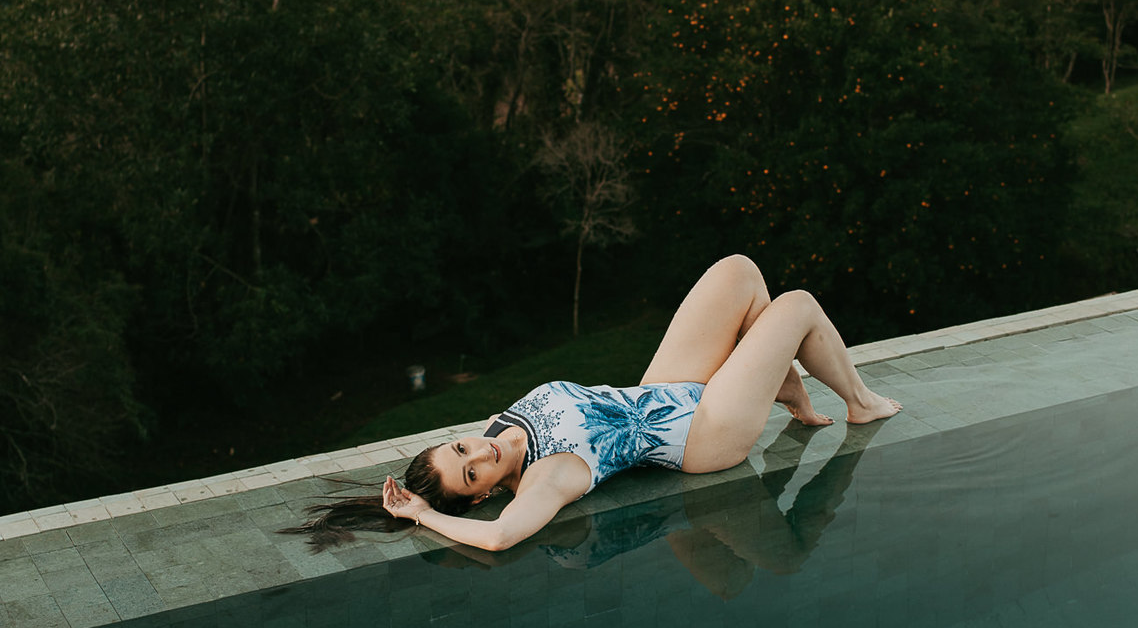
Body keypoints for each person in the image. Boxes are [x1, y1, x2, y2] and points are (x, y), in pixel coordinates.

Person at [291, 257, 900, 552]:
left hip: (659, 389)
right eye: (475, 471)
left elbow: (474, 451)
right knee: (794, 305)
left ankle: (780, 383)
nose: (480, 451)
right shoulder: (547, 477)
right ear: (481, 492)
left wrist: (421, 488)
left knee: (739, 273)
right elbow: (501, 537)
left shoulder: (496, 432)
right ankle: (859, 401)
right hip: (699, 435)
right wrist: (422, 516)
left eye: (461, 447)